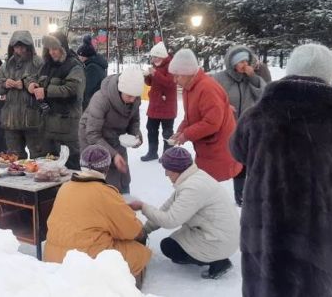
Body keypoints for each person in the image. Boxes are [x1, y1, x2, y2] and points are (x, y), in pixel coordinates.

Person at [231, 43, 332, 297]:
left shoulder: (257, 115)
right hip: (320, 233)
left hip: (267, 229)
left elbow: (237, 150)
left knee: (267, 286)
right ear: (327, 74)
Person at [44, 144, 151, 286]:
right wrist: (142, 233)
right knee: (141, 252)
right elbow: (132, 231)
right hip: (88, 262)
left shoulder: (65, 187)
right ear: (106, 168)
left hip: (52, 257)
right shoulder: (105, 193)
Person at [129, 147, 240, 279]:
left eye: (167, 169)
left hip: (220, 240)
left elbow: (170, 220)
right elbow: (167, 208)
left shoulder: (192, 188)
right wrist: (145, 230)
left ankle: (218, 261)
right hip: (220, 233)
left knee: (169, 247)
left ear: (176, 170)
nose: (166, 174)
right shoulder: (194, 177)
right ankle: (213, 255)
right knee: (174, 241)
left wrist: (143, 207)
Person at [168, 48, 242, 182]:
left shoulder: (207, 88)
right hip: (205, 150)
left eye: (177, 75)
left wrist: (187, 135)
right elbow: (190, 117)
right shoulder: (189, 88)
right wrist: (180, 132)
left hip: (218, 150)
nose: (174, 80)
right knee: (202, 186)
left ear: (188, 72)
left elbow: (212, 123)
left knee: (206, 188)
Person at [209, 45, 267, 206]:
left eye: (246, 61)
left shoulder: (253, 78)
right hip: (227, 126)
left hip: (249, 127)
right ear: (232, 63)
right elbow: (210, 99)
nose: (244, 65)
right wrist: (224, 106)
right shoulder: (219, 78)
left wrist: (253, 77)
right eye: (240, 61)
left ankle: (242, 195)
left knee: (247, 162)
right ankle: (211, 195)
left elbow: (264, 96)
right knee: (224, 161)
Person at [79, 66, 144, 193]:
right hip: (92, 137)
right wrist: (113, 155)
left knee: (122, 172)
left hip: (116, 136)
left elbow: (134, 120)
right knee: (103, 178)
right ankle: (105, 206)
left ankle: (124, 199)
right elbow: (92, 134)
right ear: (121, 90)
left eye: (135, 97)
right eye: (129, 96)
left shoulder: (134, 98)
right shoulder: (101, 99)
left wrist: (136, 135)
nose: (133, 100)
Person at [27, 32, 85, 169]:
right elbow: (33, 77)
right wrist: (30, 84)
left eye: (55, 49)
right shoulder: (47, 65)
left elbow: (73, 90)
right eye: (49, 49)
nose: (52, 52)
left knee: (69, 167)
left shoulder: (74, 66)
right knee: (47, 168)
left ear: (63, 48)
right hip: (47, 126)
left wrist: (46, 92)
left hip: (67, 126)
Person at [0, 31, 44, 159]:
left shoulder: (38, 63)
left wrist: (25, 84)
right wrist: (4, 83)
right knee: (14, 158)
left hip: (33, 119)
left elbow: (44, 82)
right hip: (11, 120)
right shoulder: (8, 64)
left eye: (22, 46)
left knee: (38, 156)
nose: (19, 49)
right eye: (16, 46)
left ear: (29, 46)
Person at [140, 42, 177, 162]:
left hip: (167, 105)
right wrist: (147, 76)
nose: (153, 59)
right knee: (151, 128)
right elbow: (151, 83)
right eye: (152, 57)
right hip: (155, 104)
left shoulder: (171, 66)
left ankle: (167, 155)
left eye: (155, 56)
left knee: (167, 132)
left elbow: (169, 83)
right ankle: (152, 152)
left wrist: (155, 74)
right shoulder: (155, 65)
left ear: (162, 56)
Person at [77, 34, 107, 111]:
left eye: (79, 56)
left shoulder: (92, 68)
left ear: (83, 56)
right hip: (96, 103)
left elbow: (86, 89)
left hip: (92, 105)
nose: (78, 58)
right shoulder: (95, 65)